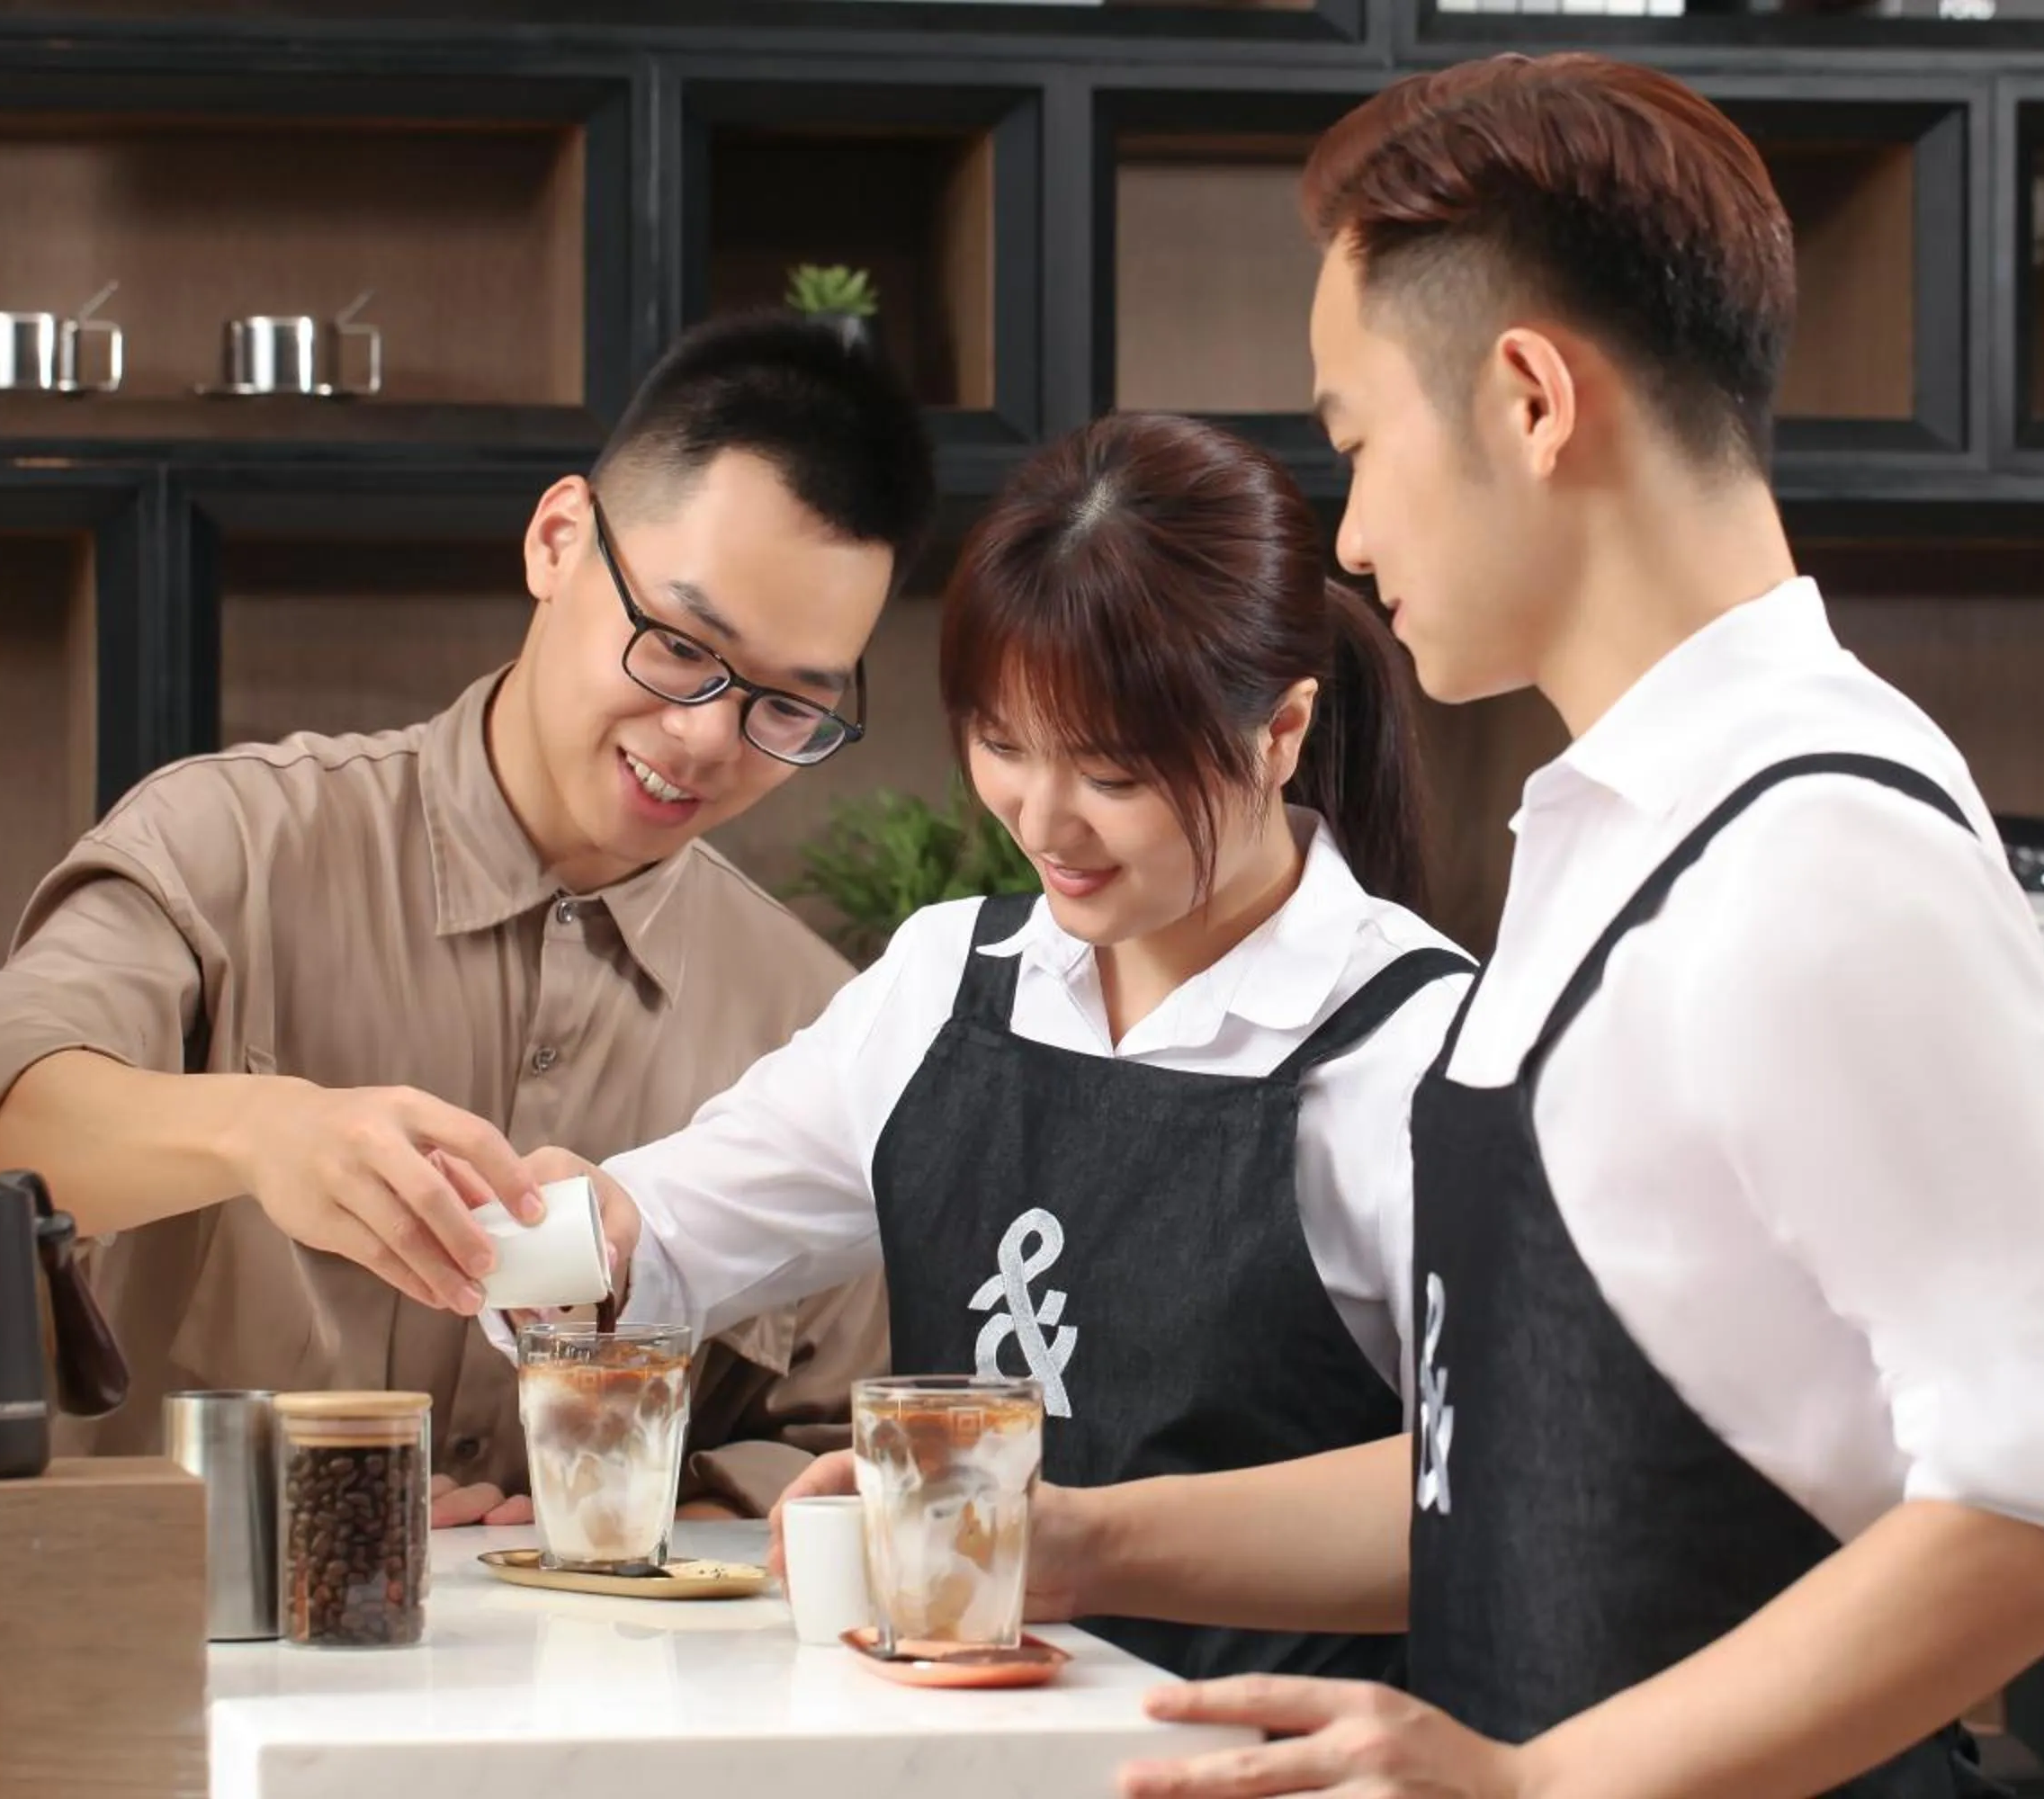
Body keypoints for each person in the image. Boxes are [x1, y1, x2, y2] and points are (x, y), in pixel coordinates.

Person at [782, 55, 2044, 1799]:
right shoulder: (1611, 829)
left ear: (1529, 401)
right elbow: (1497, 1475)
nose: (1352, 536)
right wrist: (1066, 1542)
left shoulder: (1815, 846)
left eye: (1358, 442)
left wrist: (1534, 1786)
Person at [0, 311, 936, 1525]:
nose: (706, 736)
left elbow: (835, 1442)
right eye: (678, 646)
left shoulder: (816, 1021)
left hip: (593, 1694)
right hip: (176, 1666)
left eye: (786, 707)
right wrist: (259, 1131)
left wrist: (640, 1511)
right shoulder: (229, 846)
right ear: (557, 542)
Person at [519, 409, 1475, 1683]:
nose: (1045, 821)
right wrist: (514, 1234)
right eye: (1004, 746)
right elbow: (667, 1234)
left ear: (1280, 733)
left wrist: (1073, 1541)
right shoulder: (949, 983)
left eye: (1115, 774)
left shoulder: (1424, 1048)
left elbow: (1506, 1492)